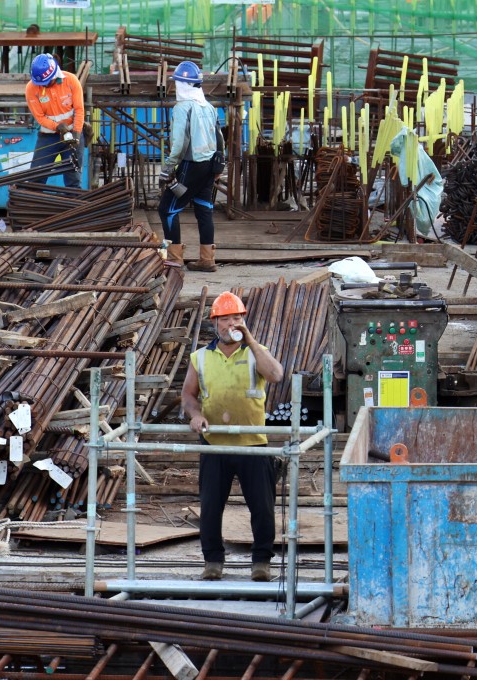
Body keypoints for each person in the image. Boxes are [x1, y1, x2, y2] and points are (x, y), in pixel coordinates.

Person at [181, 291, 284, 582]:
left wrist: (249, 340)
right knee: (211, 506)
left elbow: (276, 375)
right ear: (215, 323)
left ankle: (261, 562)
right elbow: (188, 395)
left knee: (262, 507)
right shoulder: (201, 357)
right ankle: (213, 562)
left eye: (237, 318)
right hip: (215, 445)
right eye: (225, 319)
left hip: (253, 444)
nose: (231, 324)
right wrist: (196, 415)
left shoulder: (256, 350)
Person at [159, 61, 225, 272]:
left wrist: (168, 167)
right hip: (209, 166)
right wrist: (219, 168)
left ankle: (174, 257)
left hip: (191, 165)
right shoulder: (209, 107)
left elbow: (179, 143)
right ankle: (207, 260)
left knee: (167, 209)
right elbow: (220, 138)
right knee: (204, 209)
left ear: (183, 85)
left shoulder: (182, 108)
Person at [24, 53, 84, 188]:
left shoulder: (71, 81)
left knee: (73, 177)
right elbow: (39, 117)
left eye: (47, 82)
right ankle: (32, 206)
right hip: (48, 136)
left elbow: (79, 110)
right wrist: (57, 127)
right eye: (41, 83)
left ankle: (72, 205)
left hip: (72, 133)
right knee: (36, 175)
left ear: (55, 74)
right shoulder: (31, 88)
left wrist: (77, 133)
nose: (44, 86)